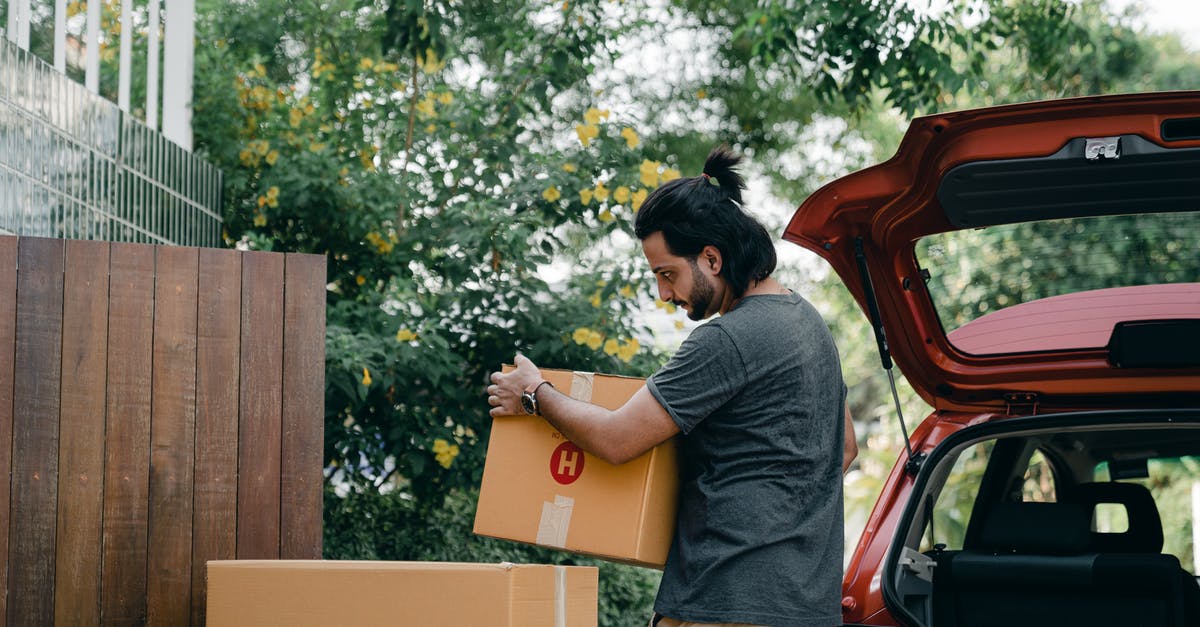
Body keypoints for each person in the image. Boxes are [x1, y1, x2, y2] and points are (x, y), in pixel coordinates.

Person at [487, 145, 854, 627]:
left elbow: (618, 440)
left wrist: (534, 394)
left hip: (724, 601)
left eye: (668, 274)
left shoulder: (727, 339)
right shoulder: (810, 324)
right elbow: (843, 448)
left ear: (711, 258)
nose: (664, 294)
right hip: (806, 606)